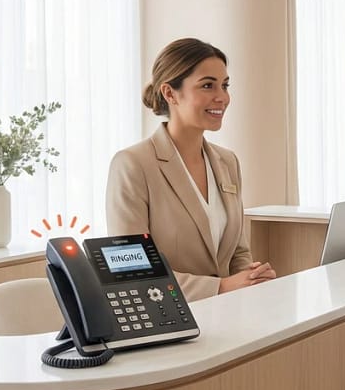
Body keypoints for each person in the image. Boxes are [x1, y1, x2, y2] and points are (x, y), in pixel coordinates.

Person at [107, 38, 275, 301]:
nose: (222, 97)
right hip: (168, 323)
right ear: (170, 93)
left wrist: (253, 279)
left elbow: (238, 252)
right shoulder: (132, 165)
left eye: (225, 85)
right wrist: (222, 287)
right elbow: (133, 270)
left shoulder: (227, 162)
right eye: (208, 85)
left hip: (231, 315)